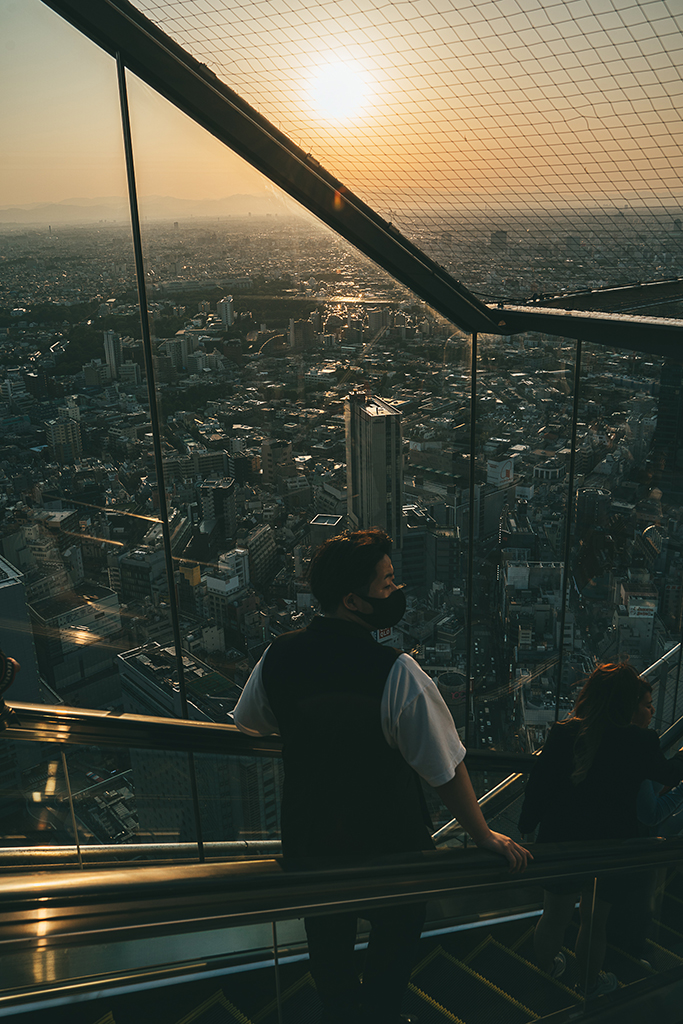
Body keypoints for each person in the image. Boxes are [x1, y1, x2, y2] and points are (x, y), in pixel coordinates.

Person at [233, 528, 530, 1024]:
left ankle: (340, 1013)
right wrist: (482, 834)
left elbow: (249, 722)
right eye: (388, 583)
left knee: (327, 945)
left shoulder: (278, 655)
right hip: (390, 846)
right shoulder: (396, 672)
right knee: (393, 946)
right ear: (354, 600)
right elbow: (444, 766)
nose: (397, 592)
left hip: (310, 840)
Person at [518, 663, 683, 999]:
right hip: (611, 847)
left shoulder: (565, 732)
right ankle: (589, 986)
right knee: (594, 922)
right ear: (626, 702)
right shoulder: (641, 740)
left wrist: (526, 826)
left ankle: (546, 972)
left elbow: (540, 785)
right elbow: (668, 775)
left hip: (561, 843)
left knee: (554, 916)